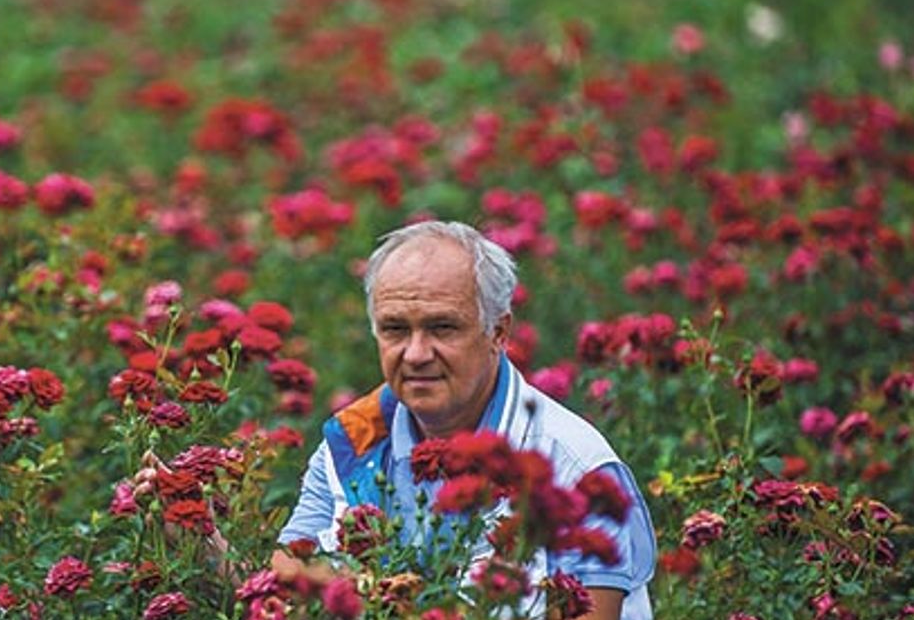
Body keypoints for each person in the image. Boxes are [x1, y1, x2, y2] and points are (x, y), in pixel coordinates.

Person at [274, 220, 656, 619]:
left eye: (442, 328)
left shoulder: (571, 463)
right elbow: (286, 590)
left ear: (498, 332)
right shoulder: (353, 442)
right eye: (395, 330)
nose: (416, 353)